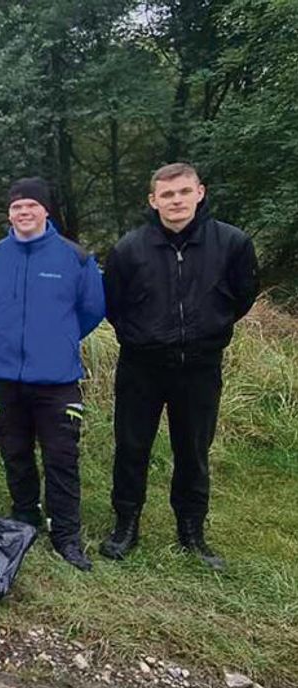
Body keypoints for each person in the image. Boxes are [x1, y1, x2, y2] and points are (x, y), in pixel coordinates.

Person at [99, 163, 258, 571]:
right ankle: (126, 524)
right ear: (153, 200)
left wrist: (207, 330)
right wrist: (143, 335)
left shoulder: (232, 243)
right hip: (142, 366)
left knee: (193, 450)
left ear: (199, 193)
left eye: (184, 192)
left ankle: (191, 530)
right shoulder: (128, 249)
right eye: (167, 195)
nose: (176, 201)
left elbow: (242, 297)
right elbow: (114, 305)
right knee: (132, 447)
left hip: (200, 367)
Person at [0, 177, 105, 571]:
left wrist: (58, 339)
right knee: (15, 452)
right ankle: (25, 515)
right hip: (3, 376)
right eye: (16, 207)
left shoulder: (74, 258)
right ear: (9, 214)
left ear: (46, 210)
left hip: (57, 380)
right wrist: (4, 338)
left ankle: (66, 536)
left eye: (31, 205)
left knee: (62, 458)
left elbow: (92, 310)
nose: (23, 213)